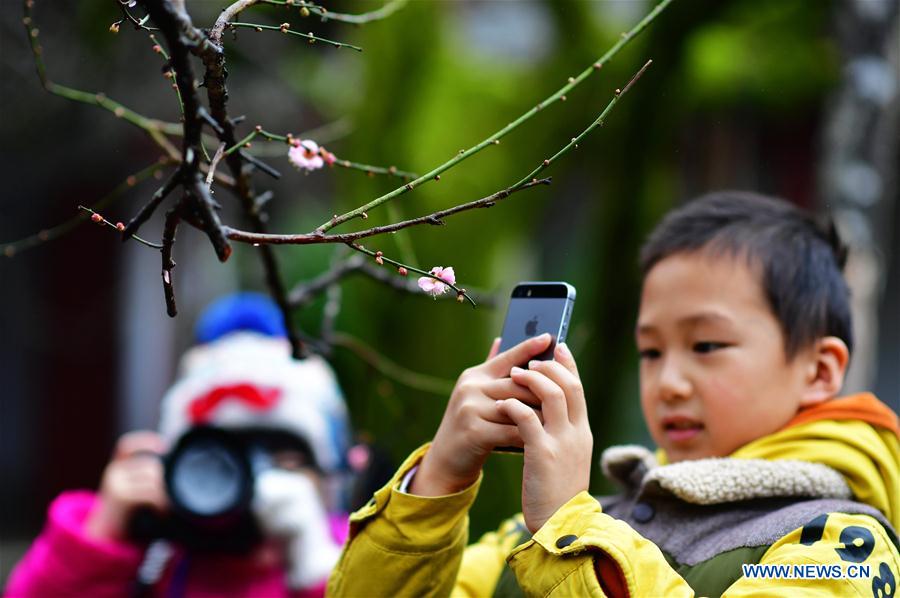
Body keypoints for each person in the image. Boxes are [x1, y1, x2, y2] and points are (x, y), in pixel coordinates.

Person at [326, 191, 900, 597]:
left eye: (706, 345)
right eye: (650, 352)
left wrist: (569, 532)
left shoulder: (842, 546)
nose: (669, 381)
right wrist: (438, 484)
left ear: (820, 369)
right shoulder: (567, 521)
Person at [6, 293, 353, 597]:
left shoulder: (356, 553)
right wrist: (102, 536)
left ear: (329, 471)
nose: (248, 474)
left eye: (282, 457)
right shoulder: (153, 558)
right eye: (223, 457)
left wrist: (319, 568)